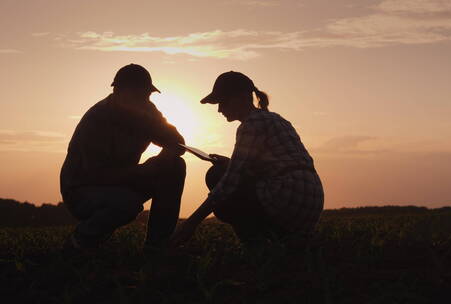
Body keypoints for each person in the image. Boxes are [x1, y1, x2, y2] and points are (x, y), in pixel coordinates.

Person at [171, 71, 324, 246]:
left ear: (240, 97)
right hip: (311, 199)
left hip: (287, 196)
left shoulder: (251, 123)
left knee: (217, 176)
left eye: (222, 102)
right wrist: (231, 163)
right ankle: (284, 240)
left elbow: (230, 182)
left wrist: (191, 224)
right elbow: (274, 165)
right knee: (226, 172)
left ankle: (257, 248)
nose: (220, 109)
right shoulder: (275, 118)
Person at [60, 64, 186, 255]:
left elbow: (177, 143)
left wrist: (164, 157)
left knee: (175, 166)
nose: (145, 100)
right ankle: (80, 240)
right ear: (119, 92)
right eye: (140, 95)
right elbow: (96, 175)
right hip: (82, 191)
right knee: (126, 203)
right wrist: (142, 171)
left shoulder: (147, 113)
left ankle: (157, 245)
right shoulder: (96, 119)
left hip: (122, 183)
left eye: (147, 95)